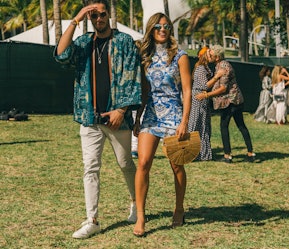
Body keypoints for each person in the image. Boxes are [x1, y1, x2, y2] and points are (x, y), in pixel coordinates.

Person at [54, 0, 141, 239]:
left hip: (116, 118)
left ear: (108, 16)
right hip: (89, 117)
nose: (99, 19)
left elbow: (133, 76)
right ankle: (92, 219)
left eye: (102, 15)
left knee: (126, 165)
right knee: (90, 168)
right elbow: (61, 55)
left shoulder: (123, 42)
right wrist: (76, 19)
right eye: (94, 17)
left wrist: (122, 111)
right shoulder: (83, 43)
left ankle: (136, 202)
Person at [132, 13, 192, 237]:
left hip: (175, 115)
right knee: (144, 163)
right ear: (151, 29)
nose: (162, 29)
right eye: (158, 26)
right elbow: (145, 91)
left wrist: (184, 121)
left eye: (166, 26)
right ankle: (140, 216)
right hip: (151, 116)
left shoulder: (180, 56)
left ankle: (179, 209)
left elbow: (187, 91)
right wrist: (138, 118)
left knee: (176, 166)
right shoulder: (145, 56)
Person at [196, 45, 256, 164]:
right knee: (241, 126)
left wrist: (207, 95)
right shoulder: (219, 66)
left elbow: (223, 88)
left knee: (224, 127)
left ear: (217, 57)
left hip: (230, 102)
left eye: (211, 55)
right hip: (236, 101)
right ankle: (250, 153)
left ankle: (227, 155)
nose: (209, 56)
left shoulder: (223, 66)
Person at [188, 46, 215, 161]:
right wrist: (217, 77)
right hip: (198, 98)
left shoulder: (205, 68)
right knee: (196, 123)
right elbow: (204, 85)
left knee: (203, 124)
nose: (211, 56)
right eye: (209, 54)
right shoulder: (200, 68)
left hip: (203, 98)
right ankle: (192, 152)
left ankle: (202, 153)